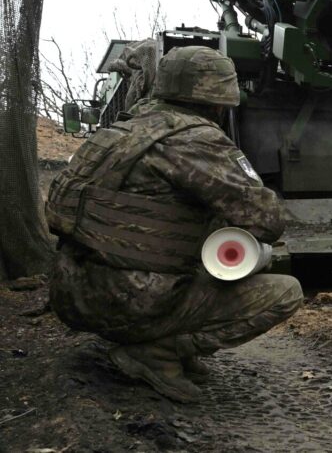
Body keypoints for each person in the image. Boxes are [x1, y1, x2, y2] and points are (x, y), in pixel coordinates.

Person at [46, 46, 302, 402]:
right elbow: (267, 220)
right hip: (129, 303)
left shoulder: (115, 132)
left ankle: (163, 343)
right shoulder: (196, 139)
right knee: (284, 290)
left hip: (70, 293)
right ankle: (158, 353)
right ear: (219, 101)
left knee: (181, 246)